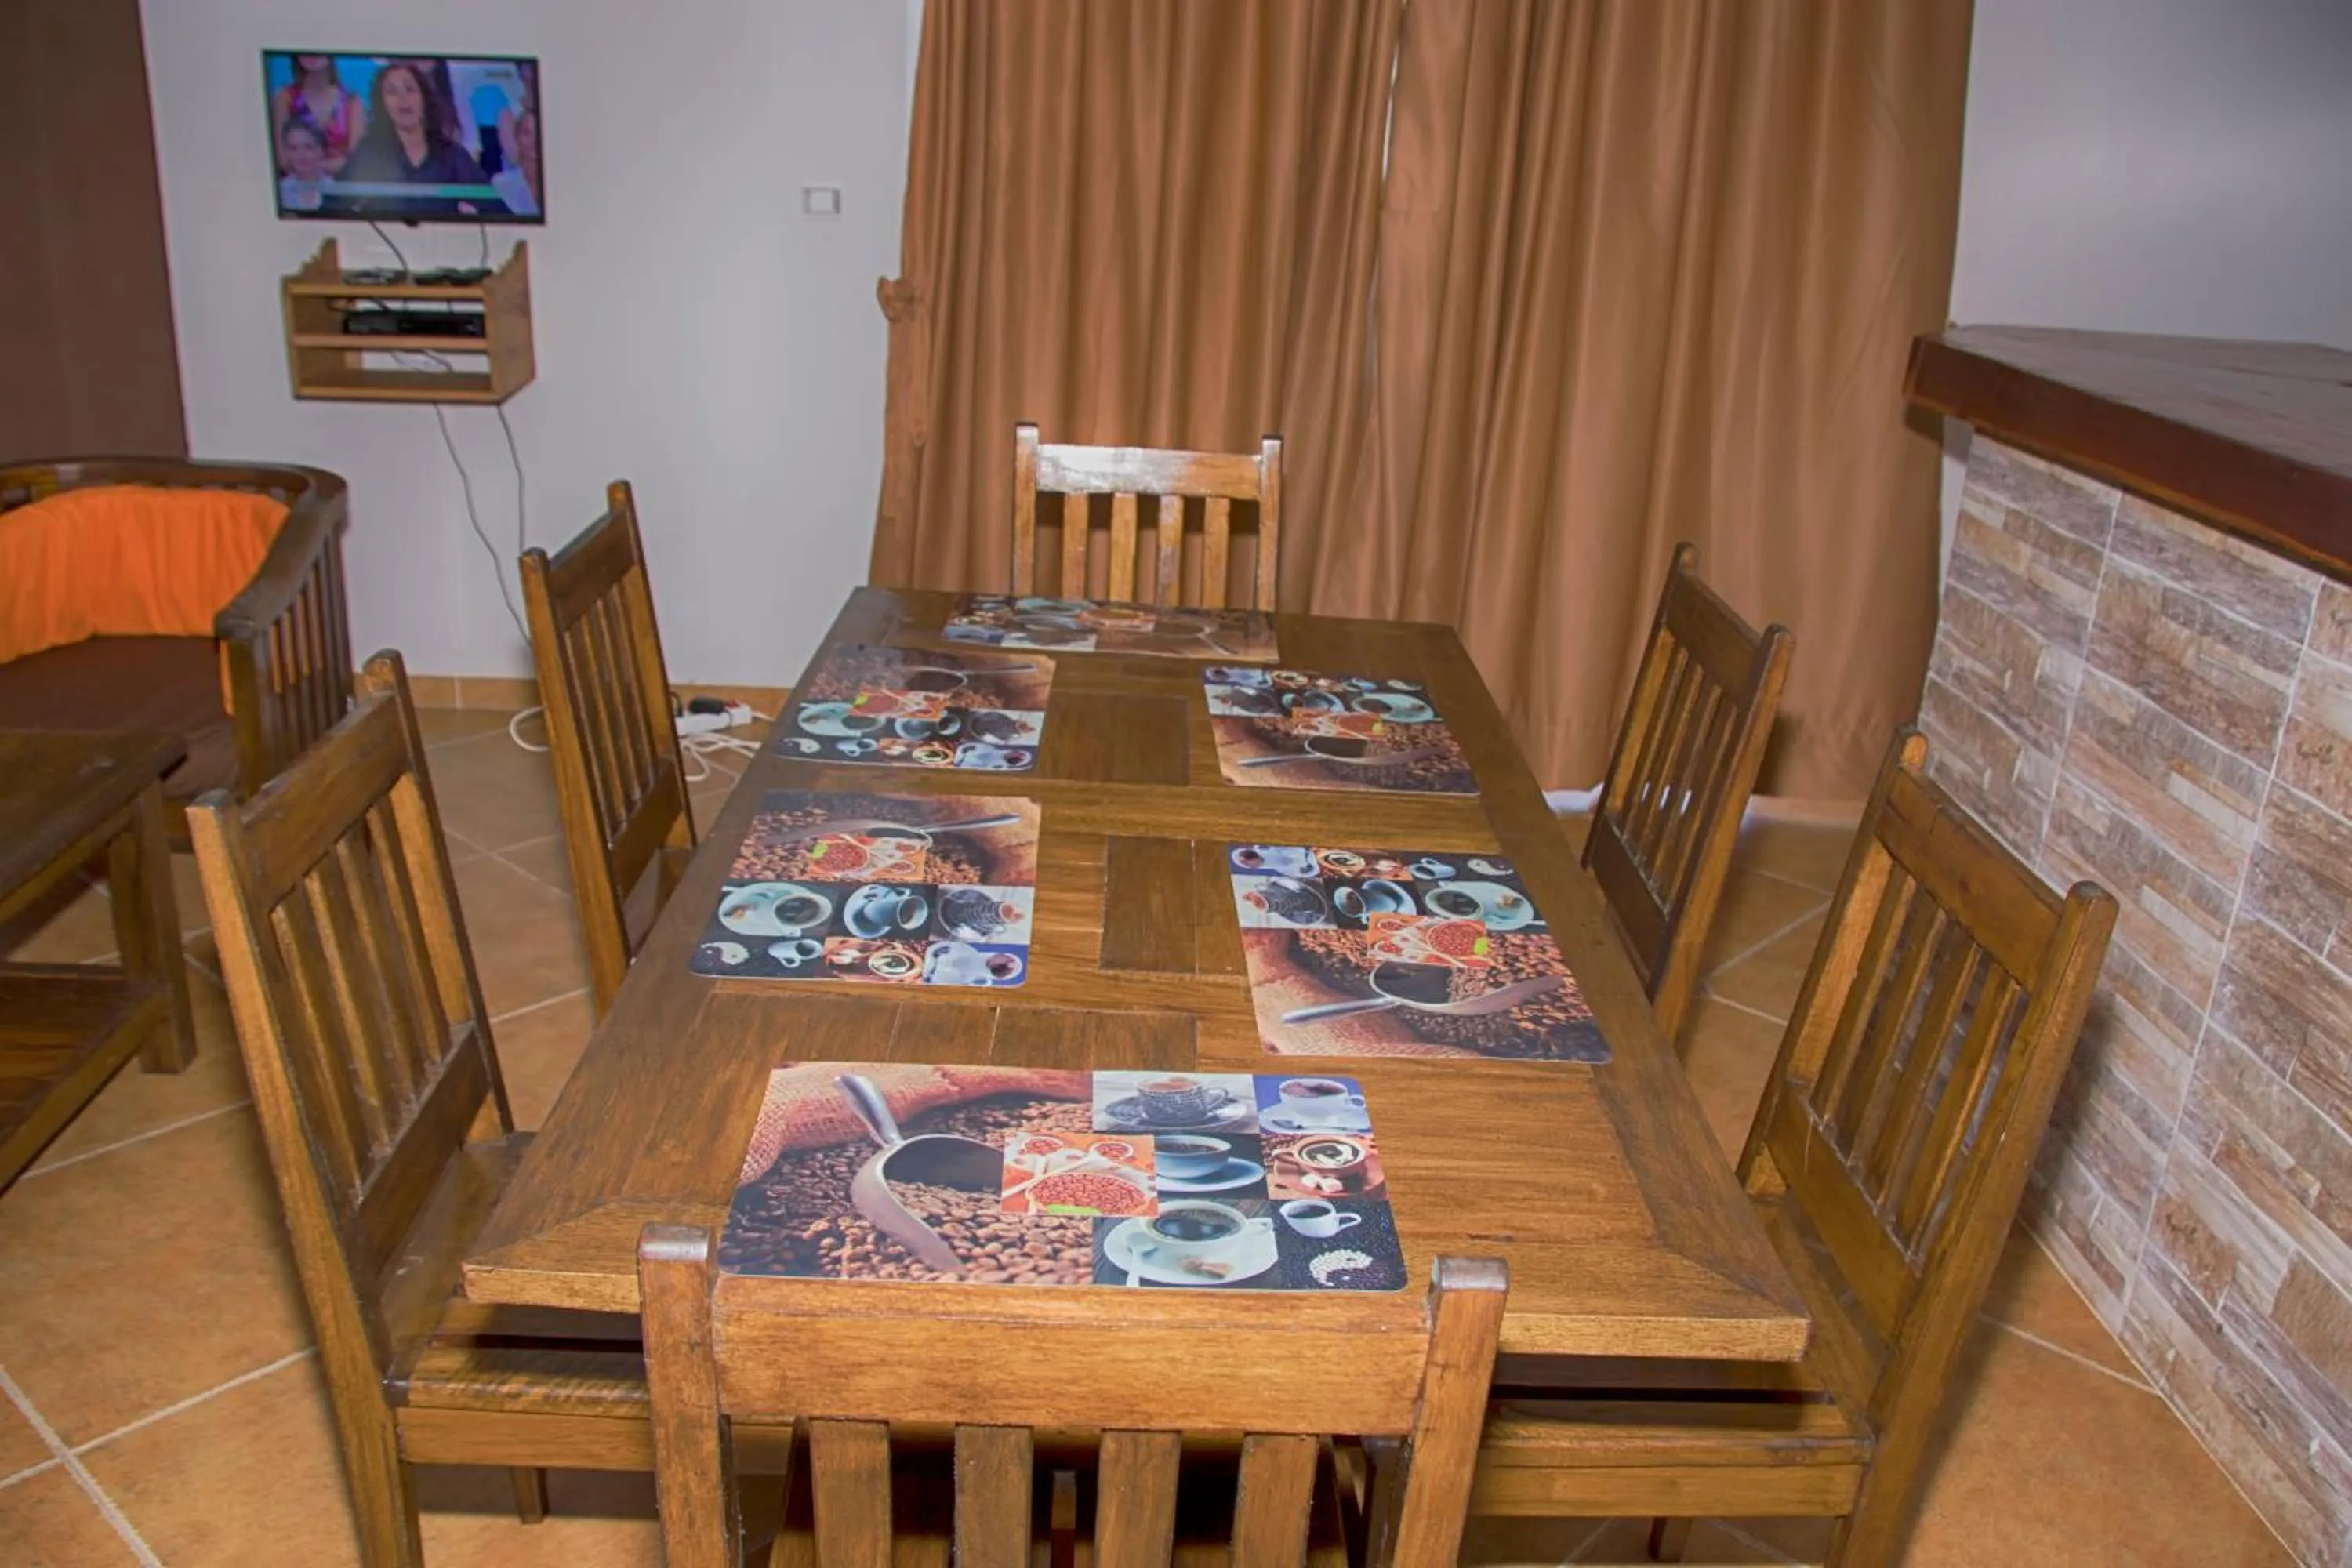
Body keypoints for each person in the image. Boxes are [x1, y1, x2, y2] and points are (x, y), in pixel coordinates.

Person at [339, 60, 503, 217]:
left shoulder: (451, 156)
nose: (403, 99)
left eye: (410, 89)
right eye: (392, 92)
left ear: (424, 98)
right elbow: (334, 204)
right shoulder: (370, 153)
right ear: (382, 104)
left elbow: (497, 210)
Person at [270, 55, 363, 173]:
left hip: (341, 186)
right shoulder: (284, 98)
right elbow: (282, 160)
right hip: (296, 187)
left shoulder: (351, 100)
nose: (313, 54)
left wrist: (311, 166)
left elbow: (356, 162)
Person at [488, 105, 539, 218]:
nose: (533, 141)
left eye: (539, 134)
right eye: (527, 133)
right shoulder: (501, 184)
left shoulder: (560, 182)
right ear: (517, 136)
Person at [276, 118, 328, 212]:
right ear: (286, 153)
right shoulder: (280, 192)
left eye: (308, 147)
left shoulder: (333, 188)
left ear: (320, 150)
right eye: (293, 148)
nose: (301, 155)